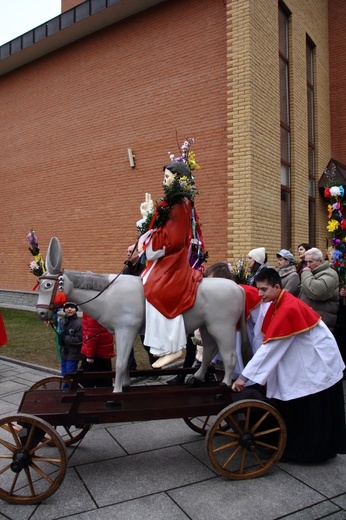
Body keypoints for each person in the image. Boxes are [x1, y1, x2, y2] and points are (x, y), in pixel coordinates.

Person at [232, 268, 346, 463]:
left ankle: (309, 452)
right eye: (258, 289)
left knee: (309, 408)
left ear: (277, 287)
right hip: (310, 357)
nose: (260, 294)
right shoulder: (278, 301)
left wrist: (244, 377)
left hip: (318, 363)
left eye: (264, 290)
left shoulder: (287, 307)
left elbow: (271, 347)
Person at [138, 159, 205, 368]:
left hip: (172, 261)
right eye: (164, 177)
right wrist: (147, 216)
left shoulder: (180, 204)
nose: (163, 181)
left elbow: (172, 239)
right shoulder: (173, 203)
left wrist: (150, 243)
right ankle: (162, 348)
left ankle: (174, 348)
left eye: (167, 177)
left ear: (179, 180)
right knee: (147, 283)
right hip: (166, 261)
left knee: (156, 289)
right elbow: (161, 231)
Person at [123, 243, 156, 368]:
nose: (128, 254)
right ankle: (131, 367)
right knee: (126, 340)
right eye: (127, 251)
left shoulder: (144, 269)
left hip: (142, 309)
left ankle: (155, 364)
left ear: (139, 253)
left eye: (131, 251)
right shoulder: (126, 269)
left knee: (145, 340)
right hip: (127, 309)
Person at [299, 247, 339, 331]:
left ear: (320, 261)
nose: (308, 265)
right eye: (306, 262)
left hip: (321, 323)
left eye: (311, 262)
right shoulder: (312, 272)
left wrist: (306, 273)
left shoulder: (330, 274)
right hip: (310, 320)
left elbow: (316, 292)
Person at [80, 313, 115, 387]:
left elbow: (93, 334)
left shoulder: (90, 311)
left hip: (95, 353)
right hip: (104, 351)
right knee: (104, 383)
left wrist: (90, 355)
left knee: (84, 383)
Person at [58, 302, 83, 385]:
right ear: (64, 309)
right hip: (64, 352)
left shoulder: (78, 324)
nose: (69, 309)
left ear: (76, 309)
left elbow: (79, 340)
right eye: (67, 307)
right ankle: (64, 390)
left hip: (73, 354)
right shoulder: (62, 321)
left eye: (72, 307)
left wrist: (64, 338)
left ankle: (67, 392)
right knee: (64, 374)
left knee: (70, 375)